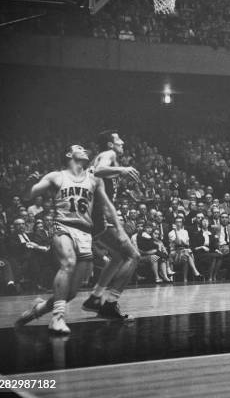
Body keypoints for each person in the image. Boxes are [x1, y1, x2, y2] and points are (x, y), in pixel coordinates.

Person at [15, 145, 126, 333]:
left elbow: (107, 207)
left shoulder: (94, 179)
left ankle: (40, 309)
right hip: (63, 226)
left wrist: (120, 229)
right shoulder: (56, 176)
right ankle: (57, 318)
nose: (85, 150)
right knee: (68, 263)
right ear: (68, 154)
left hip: (85, 232)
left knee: (71, 293)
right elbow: (28, 195)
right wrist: (27, 184)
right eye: (79, 148)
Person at [82, 130, 141, 320]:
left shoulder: (102, 156)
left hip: (92, 217)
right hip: (98, 216)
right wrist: (122, 170)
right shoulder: (109, 154)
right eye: (118, 139)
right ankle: (110, 302)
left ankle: (95, 297)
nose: (122, 142)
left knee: (117, 257)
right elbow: (99, 170)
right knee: (133, 255)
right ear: (110, 144)